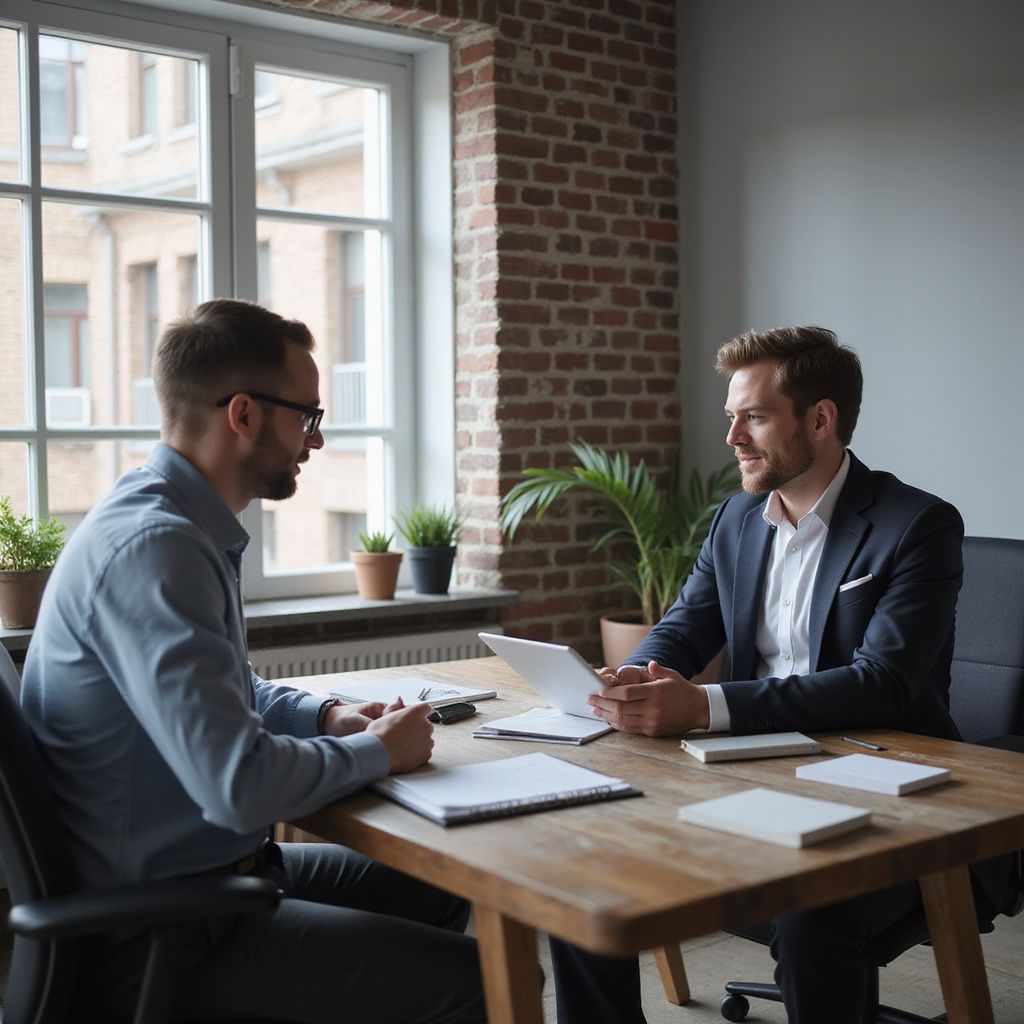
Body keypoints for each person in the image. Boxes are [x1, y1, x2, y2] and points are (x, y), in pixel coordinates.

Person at [20, 299, 486, 1023]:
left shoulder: (168, 521)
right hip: (159, 933)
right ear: (243, 414)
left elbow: (232, 691)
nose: (316, 440)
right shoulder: (159, 548)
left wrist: (329, 715)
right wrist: (375, 753)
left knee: (439, 881)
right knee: (480, 982)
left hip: (204, 879)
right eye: (307, 416)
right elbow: (237, 786)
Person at [549, 325, 1013, 1024]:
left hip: (886, 799)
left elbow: (881, 681)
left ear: (820, 419)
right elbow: (686, 624)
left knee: (810, 916)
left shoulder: (915, 525)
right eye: (731, 416)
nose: (732, 436)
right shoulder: (735, 519)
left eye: (755, 417)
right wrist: (641, 675)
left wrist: (702, 706)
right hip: (741, 773)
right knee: (584, 872)